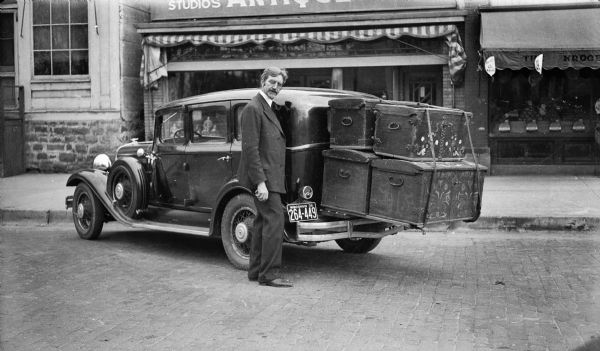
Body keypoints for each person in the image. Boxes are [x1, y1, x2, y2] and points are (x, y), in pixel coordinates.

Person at [237, 67, 293, 288]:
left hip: (270, 177)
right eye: (272, 82)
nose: (275, 87)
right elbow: (250, 149)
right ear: (262, 81)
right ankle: (269, 275)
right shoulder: (253, 108)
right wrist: (260, 182)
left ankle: (256, 271)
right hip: (264, 179)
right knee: (274, 221)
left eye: (279, 84)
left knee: (262, 223)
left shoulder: (265, 107)